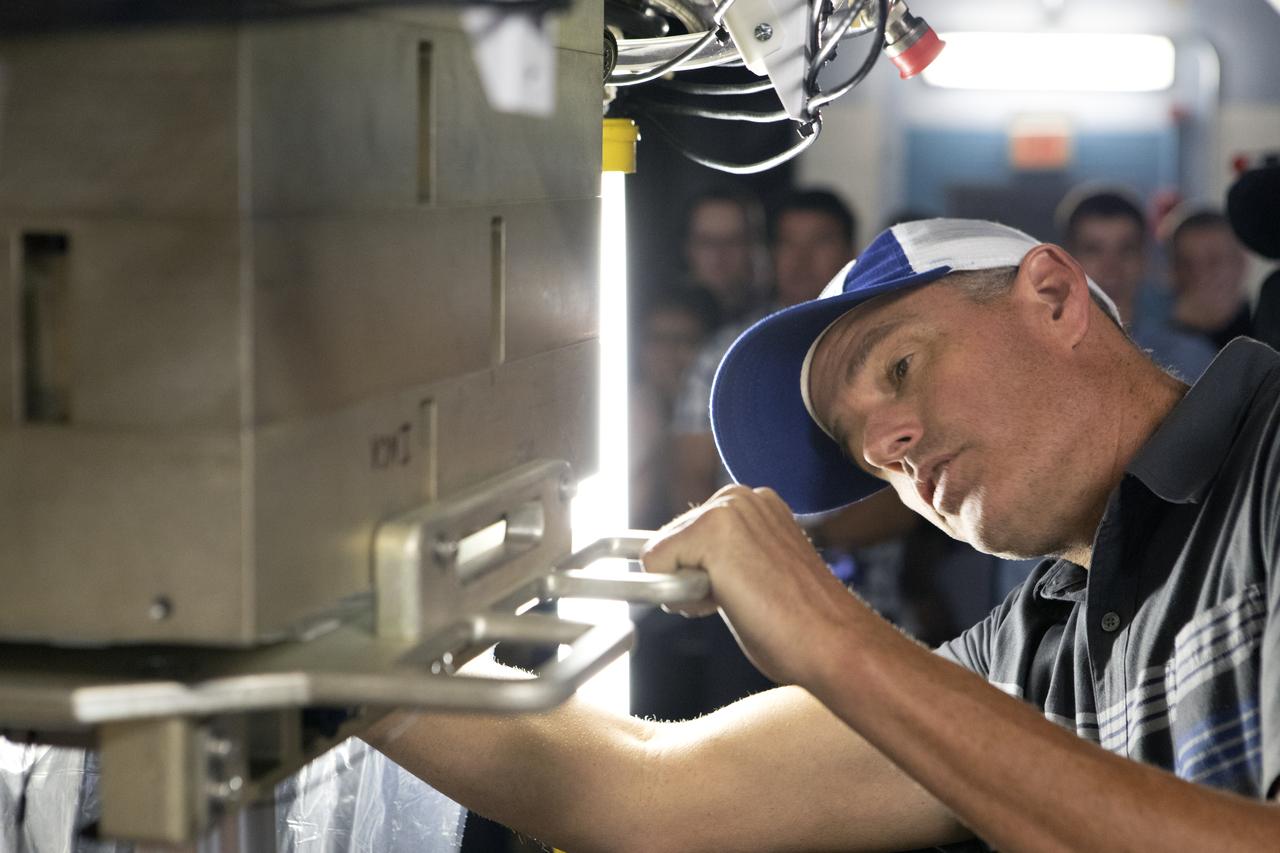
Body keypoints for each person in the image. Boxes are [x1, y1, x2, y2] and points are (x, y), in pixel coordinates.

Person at [365, 218, 1280, 852]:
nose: (888, 446)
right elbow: (646, 789)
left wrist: (833, 639)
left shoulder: (1268, 459)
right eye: (861, 452)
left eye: (901, 365)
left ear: (1052, 295)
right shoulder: (1039, 652)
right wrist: (350, 660)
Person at [1060, 186, 1216, 381]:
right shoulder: (1040, 358)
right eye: (1093, 250)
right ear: (1066, 262)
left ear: (1144, 259)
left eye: (1126, 249)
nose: (1111, 267)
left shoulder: (1189, 359)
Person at [629, 287, 720, 531]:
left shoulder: (716, 422)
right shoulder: (624, 412)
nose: (668, 353)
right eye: (658, 339)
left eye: (683, 340)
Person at [1165, 206, 1253, 350]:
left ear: (1241, 263)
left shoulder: (1269, 333)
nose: (1201, 275)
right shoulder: (1157, 347)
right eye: (1186, 264)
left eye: (1214, 261)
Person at [678, 188, 769, 324]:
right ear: (687, 248)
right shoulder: (656, 324)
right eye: (707, 242)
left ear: (752, 247)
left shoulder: (770, 322)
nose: (719, 254)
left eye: (733, 241)